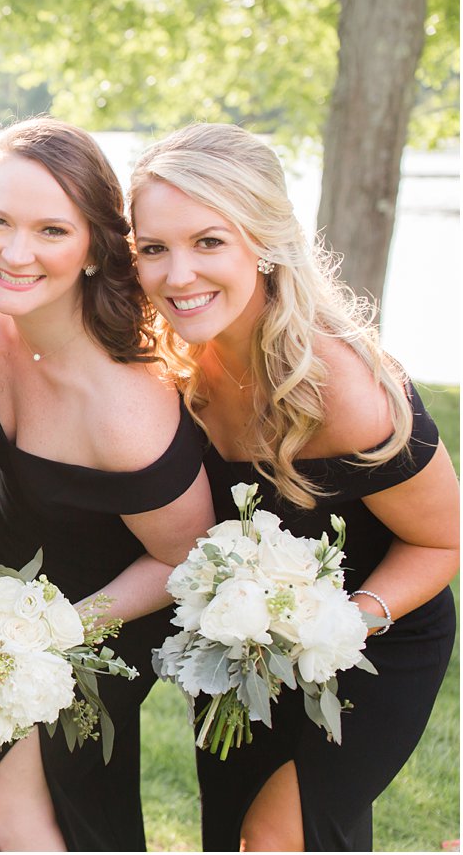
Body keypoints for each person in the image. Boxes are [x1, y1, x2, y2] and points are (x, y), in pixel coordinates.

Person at [129, 122, 459, 852]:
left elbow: (441, 540)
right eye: (154, 248)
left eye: (209, 242)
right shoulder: (170, 366)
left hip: (379, 638)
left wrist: (337, 625)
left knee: (273, 838)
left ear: (267, 241)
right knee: (234, 833)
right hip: (242, 645)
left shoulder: (340, 389)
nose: (177, 274)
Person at [0, 117, 213, 851]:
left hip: (119, 614)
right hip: (33, 601)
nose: (14, 251)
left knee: (5, 811)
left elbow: (187, 559)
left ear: (97, 248)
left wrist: (56, 634)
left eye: (50, 231)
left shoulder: (122, 408)